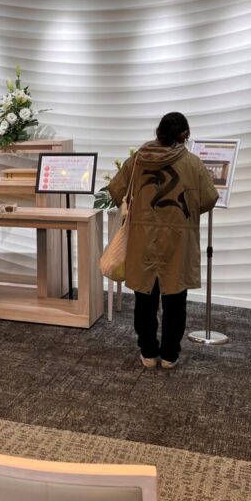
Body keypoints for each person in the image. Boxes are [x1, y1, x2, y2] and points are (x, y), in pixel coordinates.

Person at [107, 111, 218, 369]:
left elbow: (115, 190)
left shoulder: (138, 160)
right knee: (175, 297)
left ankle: (148, 352)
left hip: (142, 237)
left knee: (144, 295)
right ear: (185, 134)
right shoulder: (193, 163)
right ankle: (169, 355)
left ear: (158, 132)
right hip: (178, 239)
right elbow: (209, 198)